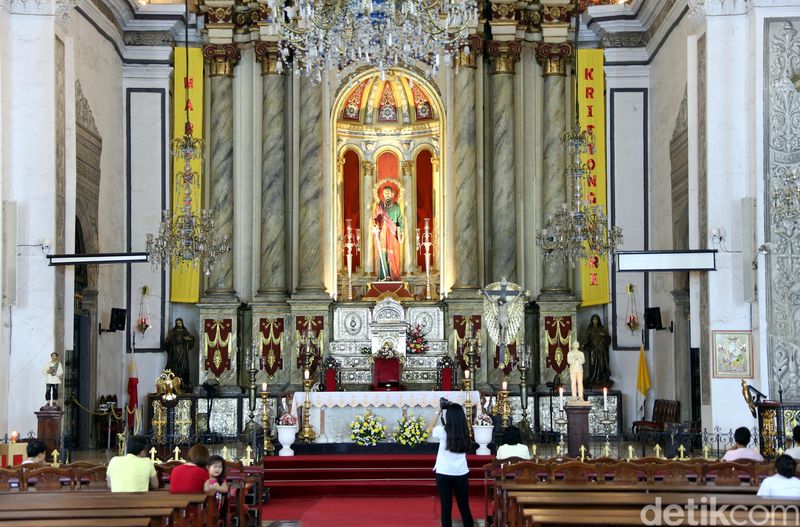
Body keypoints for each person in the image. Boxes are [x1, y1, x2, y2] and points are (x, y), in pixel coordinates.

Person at [427, 401, 474, 527]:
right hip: (461, 473)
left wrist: (438, 411)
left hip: (443, 473)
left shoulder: (442, 431)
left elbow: (429, 429)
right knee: (464, 507)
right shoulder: (465, 432)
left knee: (446, 508)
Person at [372, 183, 404, 281]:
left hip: (393, 234)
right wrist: (375, 224)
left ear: (393, 194)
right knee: (383, 253)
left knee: (393, 254)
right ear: (382, 194)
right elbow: (375, 219)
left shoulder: (396, 207)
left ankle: (394, 276)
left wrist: (401, 234)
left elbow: (400, 221)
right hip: (382, 234)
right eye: (385, 193)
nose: (387, 195)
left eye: (389, 193)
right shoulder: (379, 206)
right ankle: (383, 276)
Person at [163, 318, 195, 393]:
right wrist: (167, 342)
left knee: (183, 367)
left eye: (180, 323)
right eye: (177, 323)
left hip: (183, 351)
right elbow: (168, 339)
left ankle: (183, 383)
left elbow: (191, 338)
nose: (179, 324)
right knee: (174, 367)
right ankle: (174, 383)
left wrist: (188, 339)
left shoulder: (185, 330)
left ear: (182, 323)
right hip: (175, 351)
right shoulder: (173, 331)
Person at [581, 314, 612, 389]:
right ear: (592, 321)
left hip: (601, 351)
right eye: (594, 319)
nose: (595, 321)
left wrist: (604, 335)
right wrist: (583, 345)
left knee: (601, 365)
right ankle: (593, 378)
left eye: (596, 319)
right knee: (593, 365)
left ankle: (601, 379)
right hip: (593, 351)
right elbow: (586, 339)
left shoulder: (602, 329)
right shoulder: (590, 329)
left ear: (598, 320)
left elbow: (608, 339)